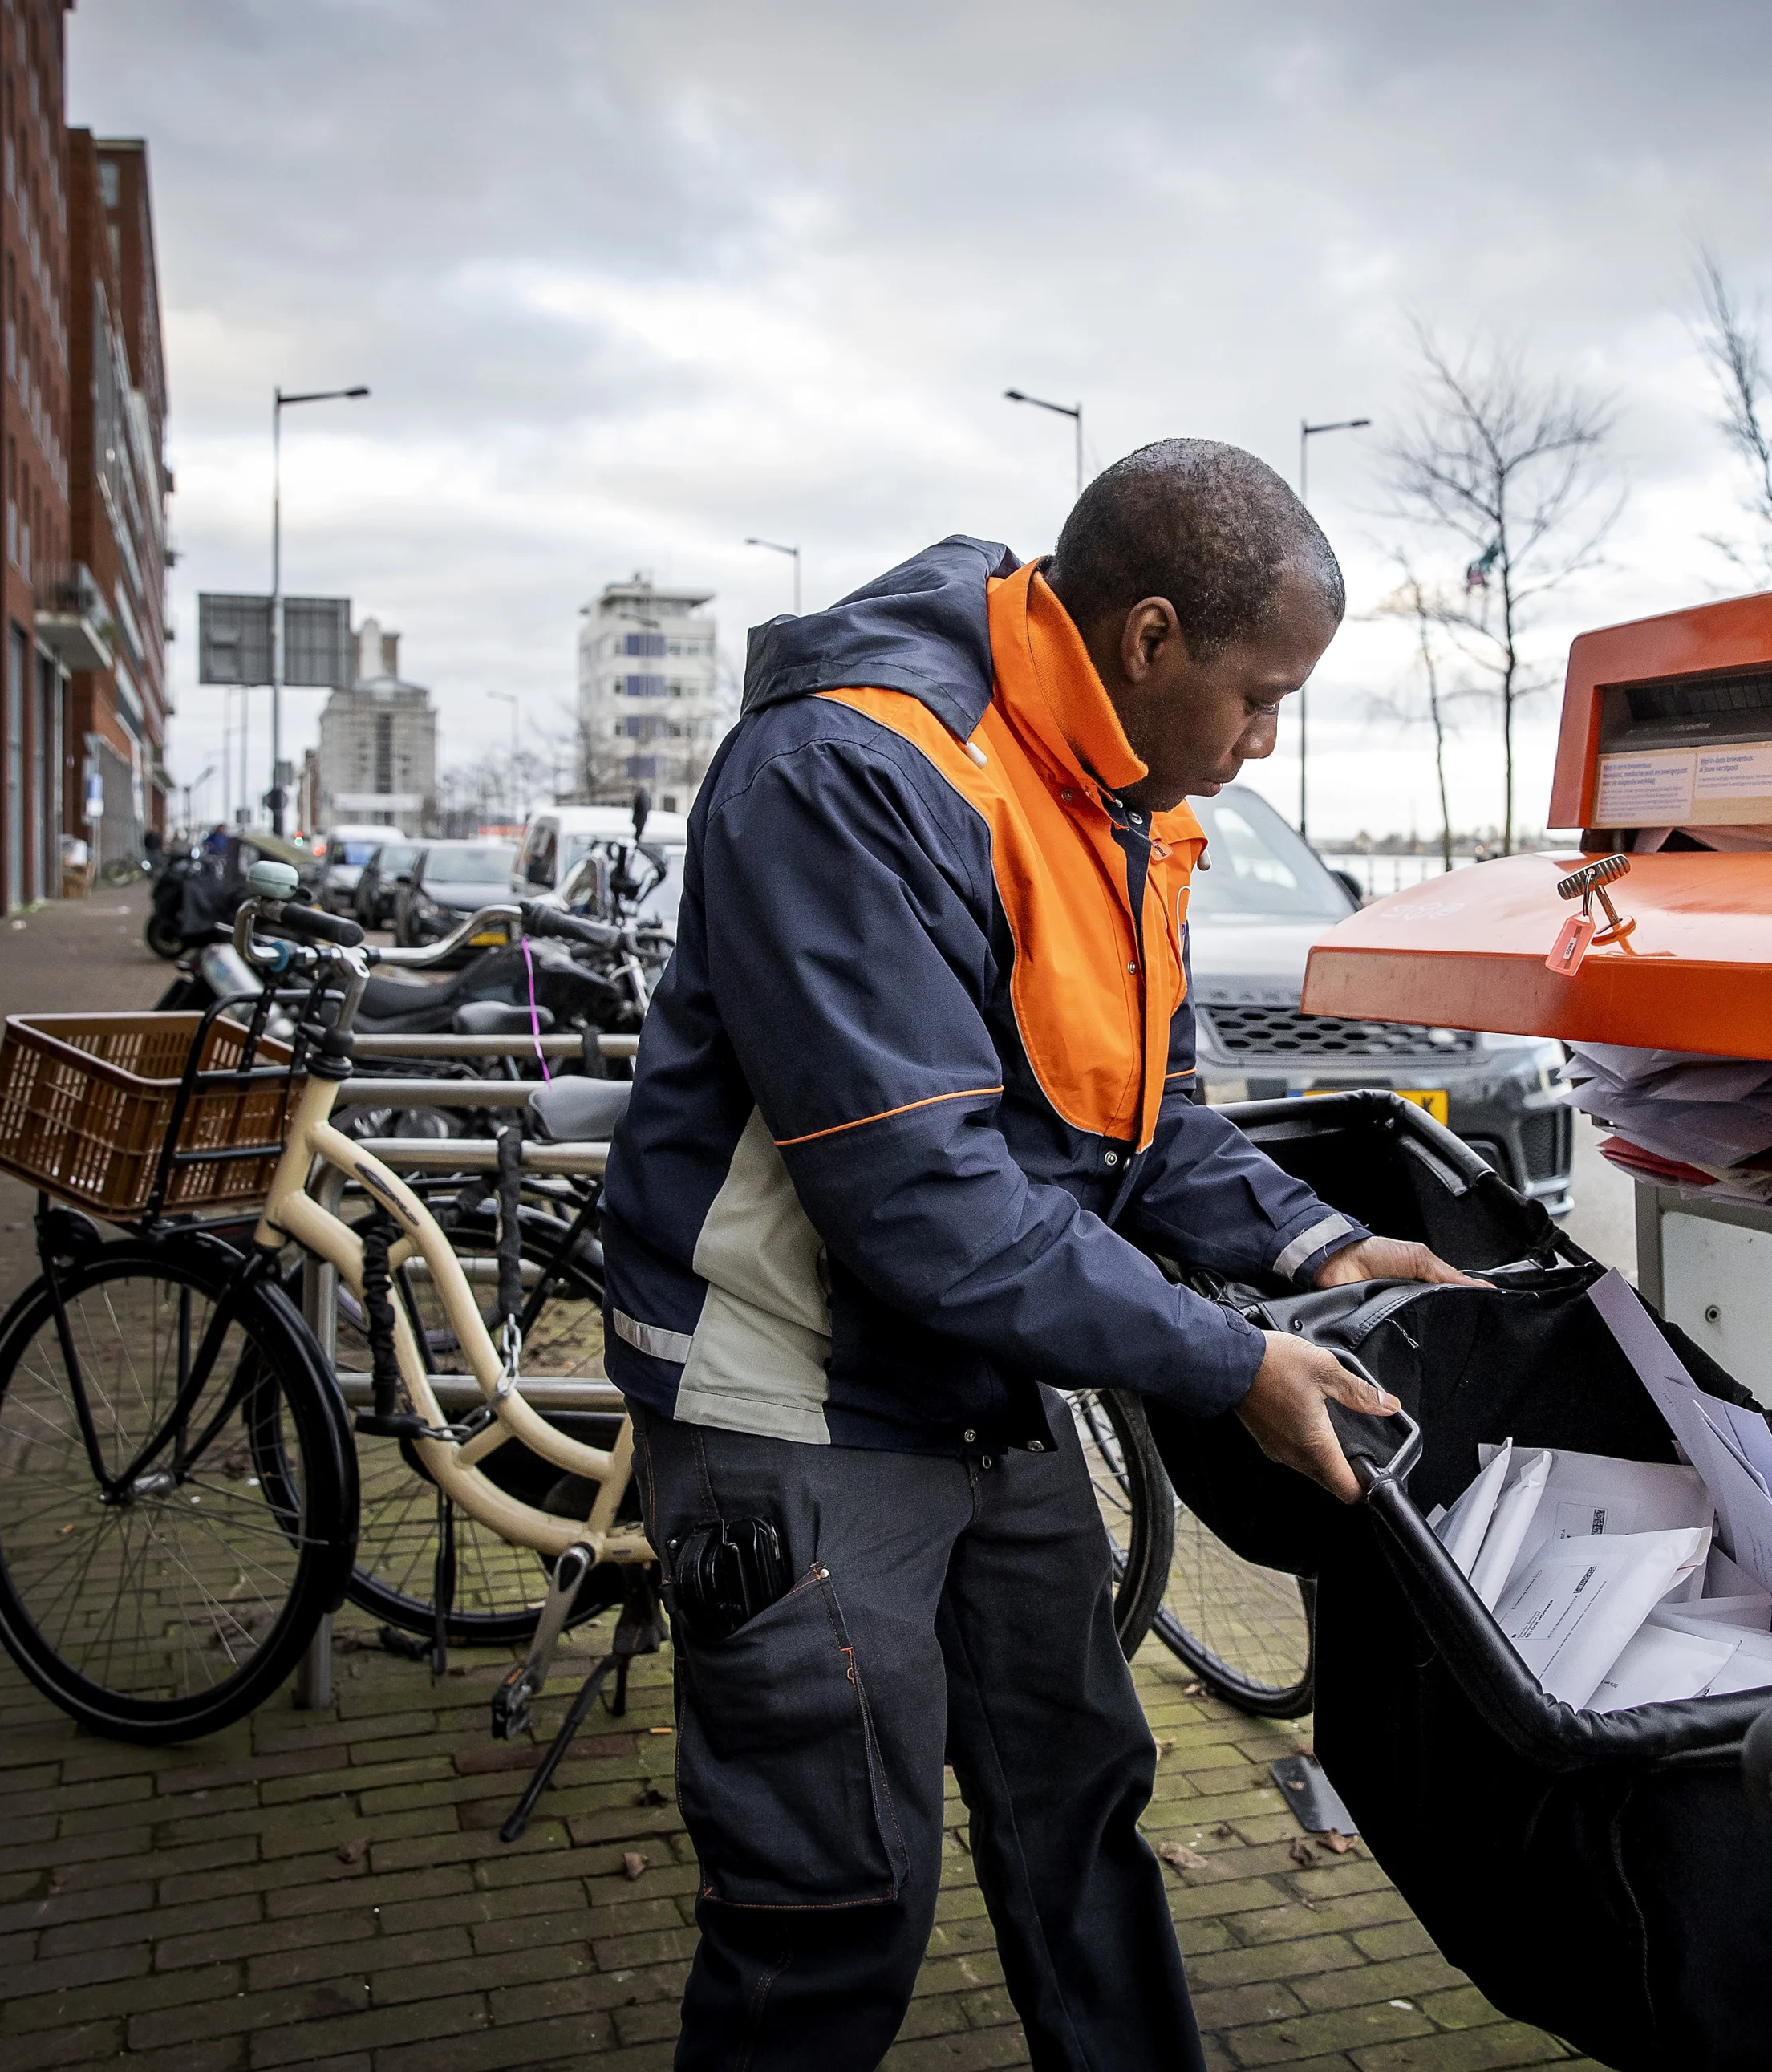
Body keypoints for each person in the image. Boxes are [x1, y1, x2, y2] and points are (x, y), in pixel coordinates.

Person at [600, 439, 1474, 2070]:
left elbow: (1139, 1126)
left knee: (1079, 1798)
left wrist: (1324, 1238)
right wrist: (1231, 1363)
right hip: (798, 1395)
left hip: (973, 1370)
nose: (1266, 739)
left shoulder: (1116, 802)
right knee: (834, 1894)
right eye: (1259, 694)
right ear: (1148, 641)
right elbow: (919, 1194)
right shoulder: (851, 772)